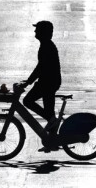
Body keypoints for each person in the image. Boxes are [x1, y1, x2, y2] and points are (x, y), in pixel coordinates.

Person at [22, 21, 61, 151]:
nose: (35, 32)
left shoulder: (46, 46)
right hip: (49, 81)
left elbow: (41, 67)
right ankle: (52, 141)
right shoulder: (46, 45)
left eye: (37, 30)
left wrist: (28, 81)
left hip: (48, 82)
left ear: (43, 33)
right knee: (49, 112)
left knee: (27, 100)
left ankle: (52, 121)